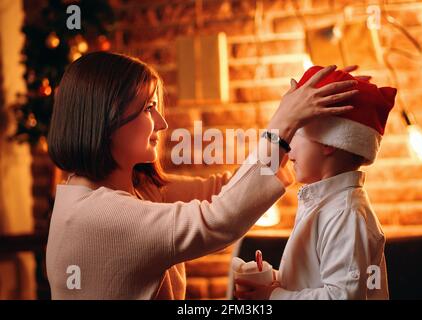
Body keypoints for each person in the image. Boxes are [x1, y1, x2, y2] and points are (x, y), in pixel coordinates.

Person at [46, 52, 358, 299]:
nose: (162, 123)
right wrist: (281, 129)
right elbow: (218, 219)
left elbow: (223, 189)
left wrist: (294, 137)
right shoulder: (100, 216)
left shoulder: (132, 190)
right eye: (148, 108)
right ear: (106, 119)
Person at [234, 65, 397, 300]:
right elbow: (319, 281)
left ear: (329, 142)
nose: (287, 145)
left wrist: (274, 297)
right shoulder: (326, 204)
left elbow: (342, 296)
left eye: (297, 133)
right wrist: (274, 281)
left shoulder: (345, 213)